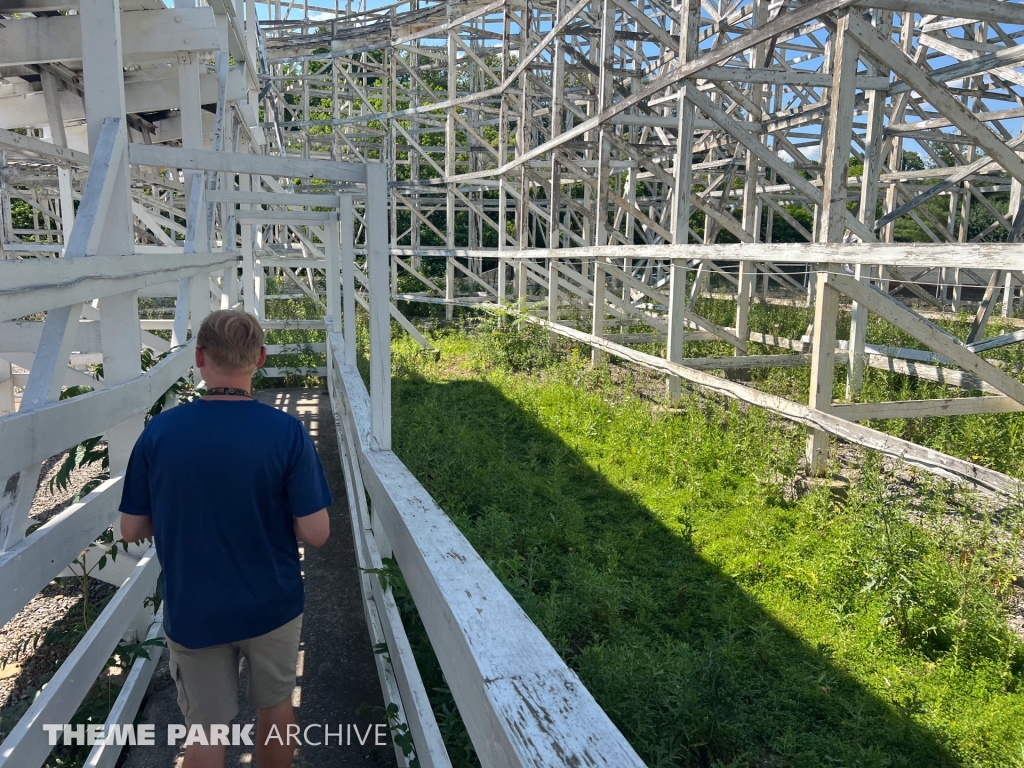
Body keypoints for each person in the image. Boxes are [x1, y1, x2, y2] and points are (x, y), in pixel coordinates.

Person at [119, 309, 332, 768]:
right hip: (270, 603)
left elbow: (131, 528)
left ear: (199, 357)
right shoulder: (286, 433)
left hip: (195, 607)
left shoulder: (161, 432)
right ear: (259, 358)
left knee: (206, 731)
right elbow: (316, 533)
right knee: (276, 710)